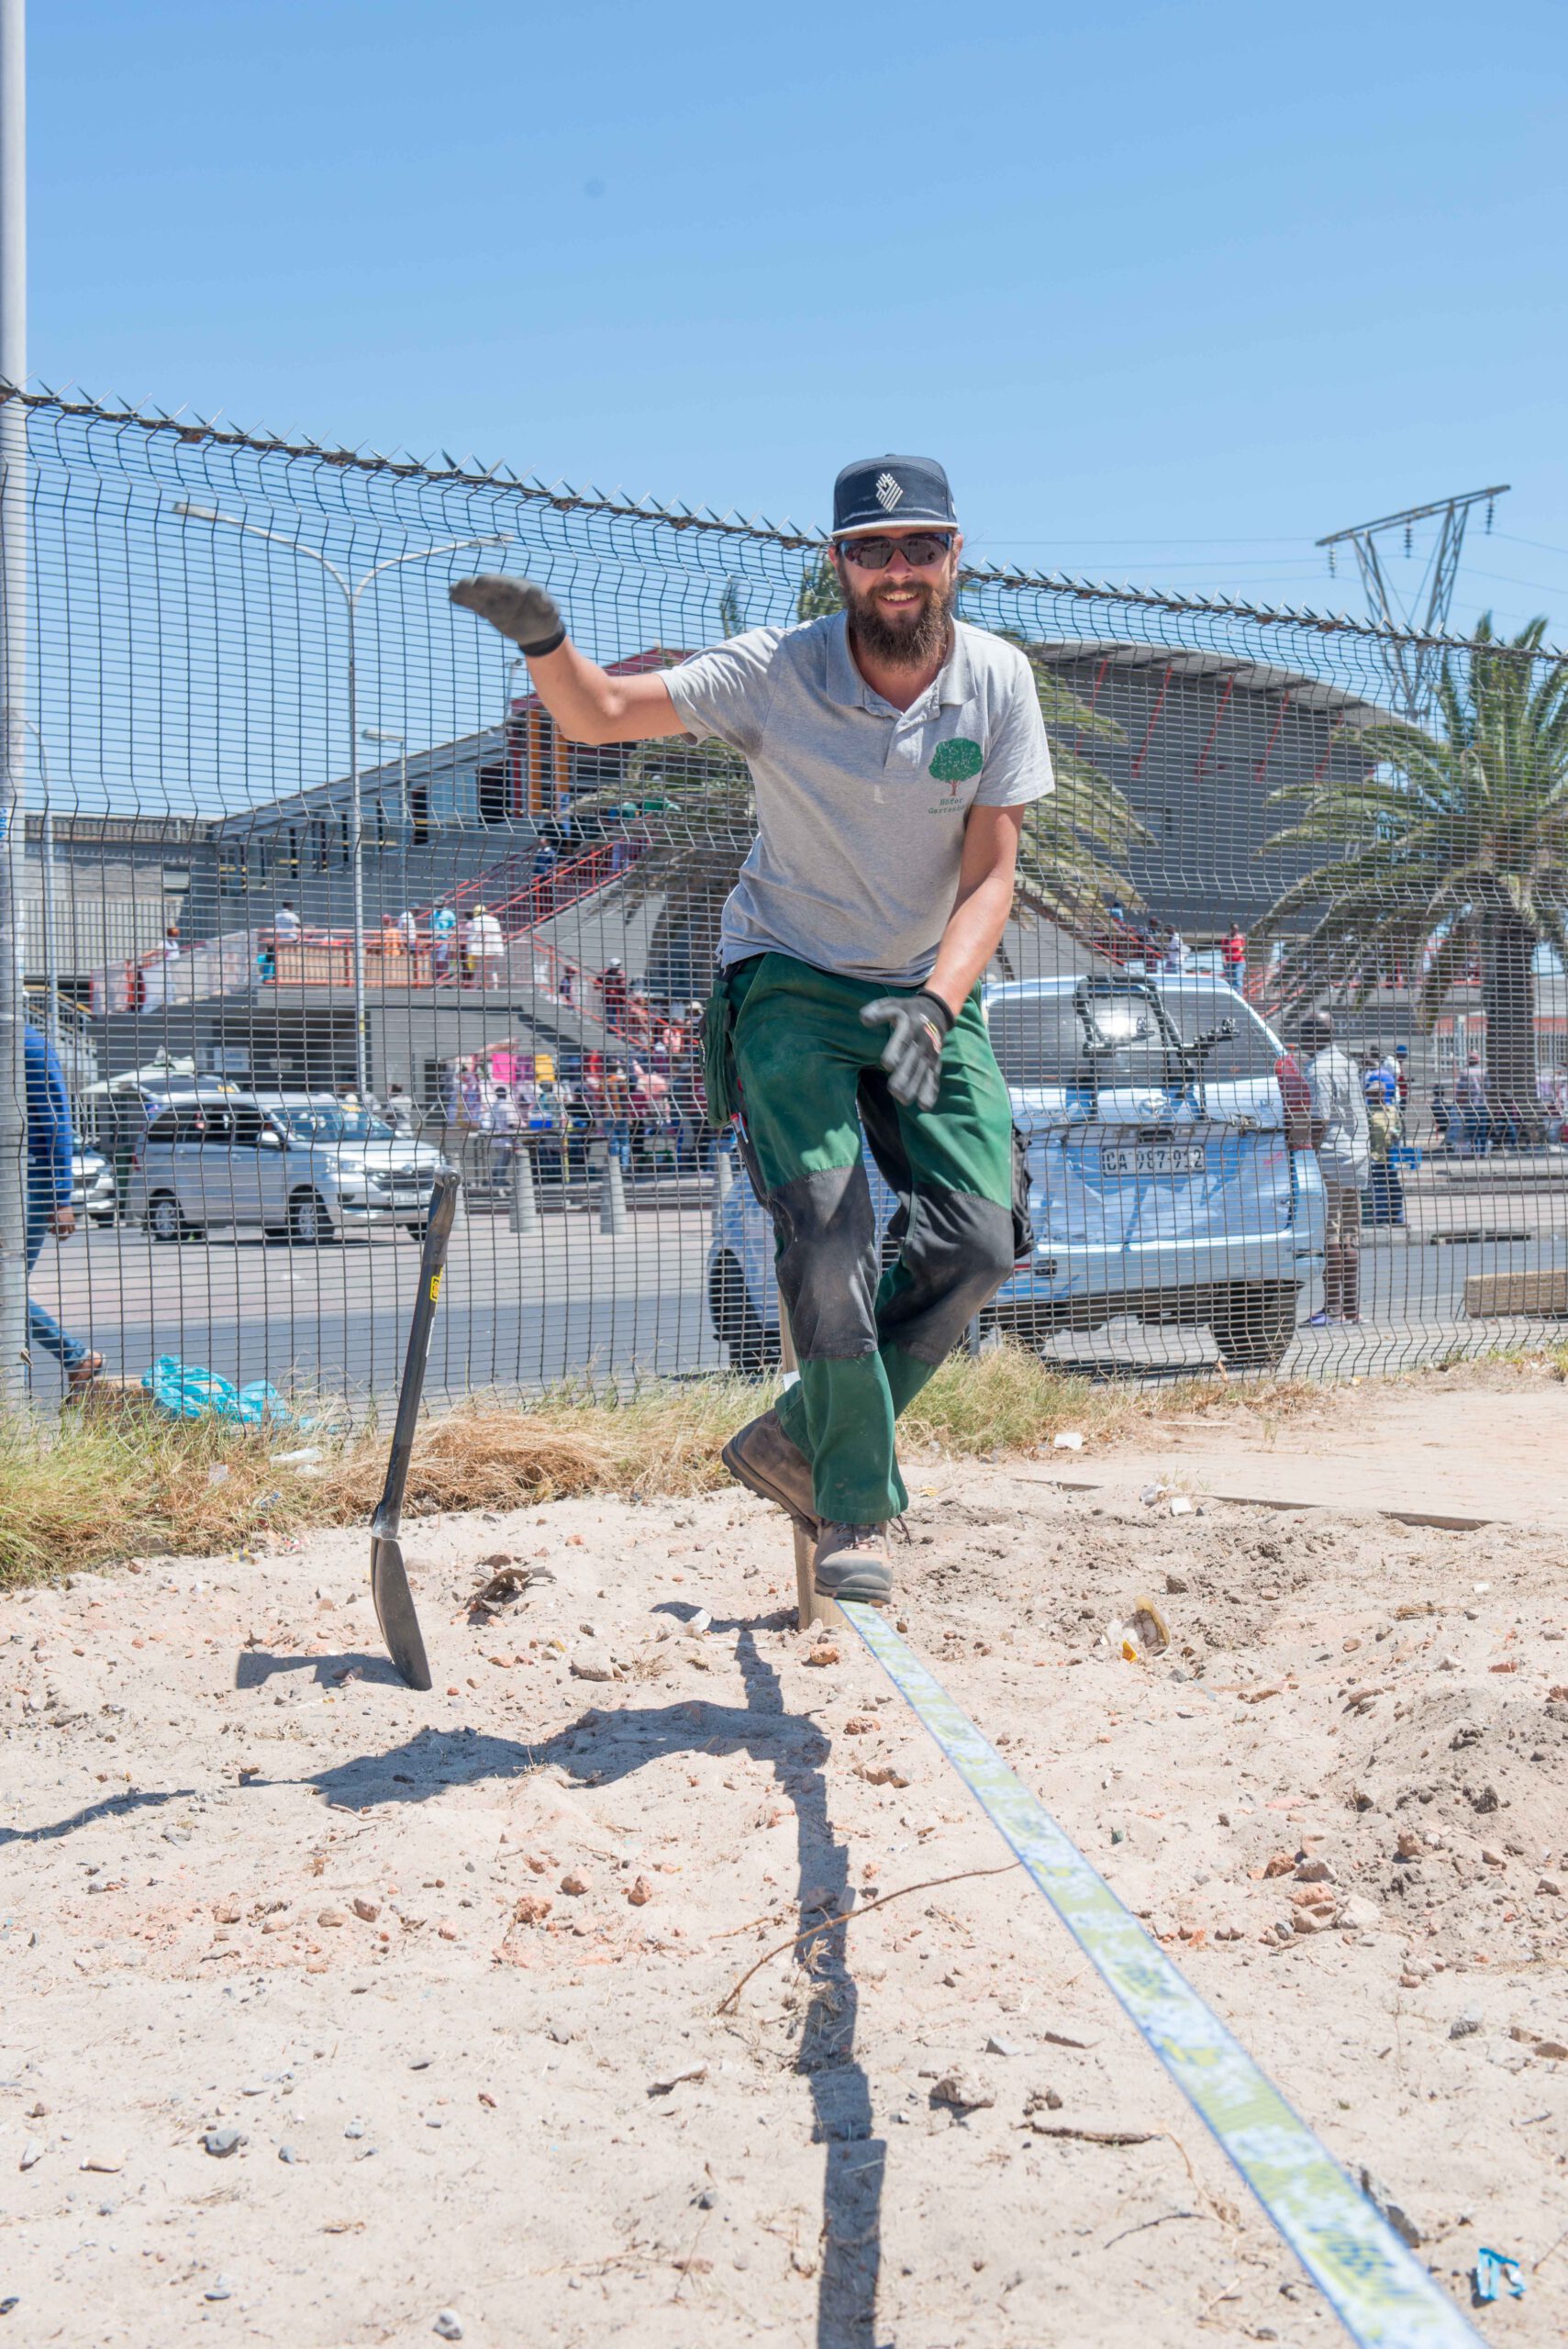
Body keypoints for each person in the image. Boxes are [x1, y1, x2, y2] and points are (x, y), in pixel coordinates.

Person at [450, 451, 1049, 1605]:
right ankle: (851, 1500)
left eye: (918, 546)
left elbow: (990, 875)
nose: (895, 569)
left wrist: (937, 1000)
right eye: (870, 550)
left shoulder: (995, 681)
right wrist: (544, 641)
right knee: (826, 1237)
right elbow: (599, 712)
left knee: (981, 1242)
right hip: (790, 983)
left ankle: (793, 1441)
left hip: (927, 987)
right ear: (837, 564)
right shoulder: (777, 671)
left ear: (954, 556)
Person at [24, 1023, 101, 1392]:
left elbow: (57, 1119)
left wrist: (60, 1195)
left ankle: (74, 1356)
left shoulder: (27, 1043)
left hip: (30, 1181)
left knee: (5, 1287)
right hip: (13, 1181)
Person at [1298, 1010, 1370, 1326]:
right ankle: (1352, 1310)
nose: (1301, 1040)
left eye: (1304, 1033)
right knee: (1350, 1236)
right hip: (1356, 1157)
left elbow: (1320, 1118)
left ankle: (1332, 1309)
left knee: (1330, 1236)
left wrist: (1306, 1153)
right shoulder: (1347, 1064)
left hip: (1329, 1159)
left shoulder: (1318, 1069)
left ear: (1315, 1035)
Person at [463, 903, 506, 990]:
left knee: (480, 969)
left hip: (481, 949)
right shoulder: (494, 920)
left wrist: (469, 948)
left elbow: (473, 935)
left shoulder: (476, 920)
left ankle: (477, 988)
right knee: (491, 969)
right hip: (494, 948)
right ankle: (494, 988)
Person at [1456, 1052, 1490, 1153]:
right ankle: (1483, 1151)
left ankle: (1475, 1151)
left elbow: (1463, 1090)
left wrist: (1459, 1104)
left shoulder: (1465, 1072)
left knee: (1472, 1129)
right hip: (1482, 1104)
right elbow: (1487, 1088)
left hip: (1470, 1104)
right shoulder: (1484, 1072)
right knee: (1482, 1128)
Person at [430, 900, 458, 982]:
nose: (437, 907)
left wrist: (449, 937)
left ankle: (442, 978)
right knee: (434, 960)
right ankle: (437, 978)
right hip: (434, 939)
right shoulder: (433, 913)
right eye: (436, 906)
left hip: (444, 939)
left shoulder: (449, 914)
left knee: (442, 960)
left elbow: (454, 927)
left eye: (439, 906)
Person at [1222, 920, 1247, 994]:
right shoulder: (1226, 939)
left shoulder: (1240, 938)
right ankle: (1231, 996)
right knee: (1230, 981)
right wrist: (1224, 960)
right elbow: (1223, 951)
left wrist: (1240, 951)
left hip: (1239, 962)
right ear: (1231, 929)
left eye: (1237, 929)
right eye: (1234, 929)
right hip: (1229, 962)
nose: (1236, 931)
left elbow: (1243, 948)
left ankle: (1239, 996)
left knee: (1238, 980)